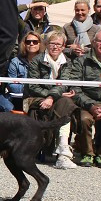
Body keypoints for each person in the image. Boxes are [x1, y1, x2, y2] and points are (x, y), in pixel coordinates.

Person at [63, 29, 101, 169]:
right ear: (93, 43)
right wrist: (91, 106)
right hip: (86, 103)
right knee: (84, 119)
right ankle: (88, 153)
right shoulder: (81, 62)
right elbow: (76, 88)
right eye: (100, 41)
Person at [26, 30, 79, 169]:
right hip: (35, 98)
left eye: (58, 44)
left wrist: (51, 97)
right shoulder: (36, 61)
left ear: (63, 46)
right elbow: (33, 86)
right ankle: (63, 152)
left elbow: (64, 83)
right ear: (46, 44)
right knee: (66, 103)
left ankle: (62, 151)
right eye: (52, 43)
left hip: (55, 99)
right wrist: (52, 95)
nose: (55, 47)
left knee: (66, 103)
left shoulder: (67, 62)